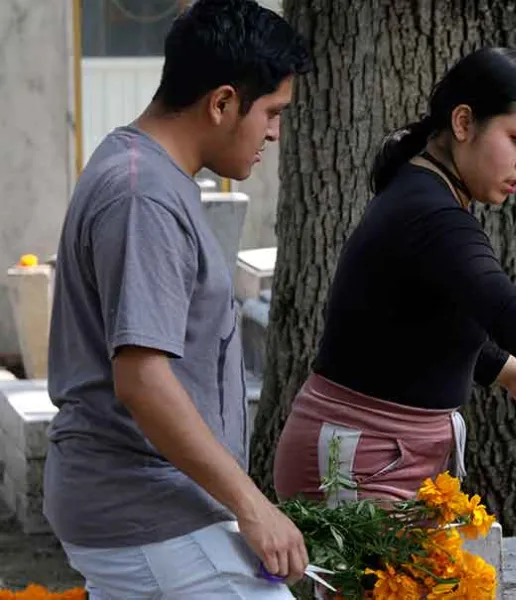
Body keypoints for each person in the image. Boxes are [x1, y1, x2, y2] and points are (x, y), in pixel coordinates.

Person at [272, 47, 516, 505]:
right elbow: (501, 307)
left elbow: (420, 319)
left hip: (386, 452)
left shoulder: (425, 194)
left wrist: (513, 373)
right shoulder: (431, 212)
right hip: (358, 456)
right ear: (463, 123)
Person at [42, 1, 314, 597]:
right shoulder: (143, 196)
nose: (275, 132)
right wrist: (251, 505)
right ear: (221, 103)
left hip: (143, 507)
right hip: (147, 509)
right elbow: (141, 379)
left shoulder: (150, 177)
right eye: (270, 112)